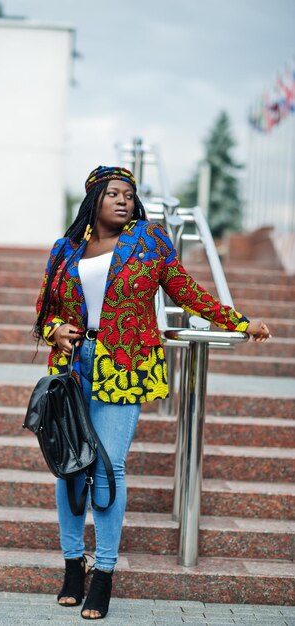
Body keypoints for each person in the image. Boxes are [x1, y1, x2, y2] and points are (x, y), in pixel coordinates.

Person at [34, 165, 271, 620]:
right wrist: (55, 329)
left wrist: (241, 322)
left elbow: (187, 292)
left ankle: (102, 575)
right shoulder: (65, 249)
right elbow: (45, 309)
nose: (123, 200)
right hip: (73, 369)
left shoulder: (150, 242)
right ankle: (71, 565)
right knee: (69, 469)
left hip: (124, 367)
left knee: (108, 467)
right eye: (113, 194)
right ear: (93, 200)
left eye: (129, 194)